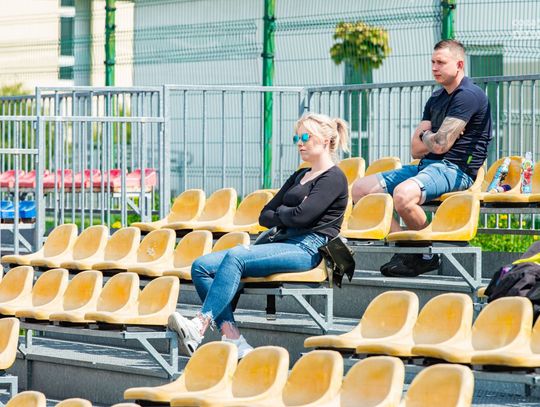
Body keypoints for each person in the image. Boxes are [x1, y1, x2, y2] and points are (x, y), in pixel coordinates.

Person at [168, 112, 350, 357]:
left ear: (326, 140)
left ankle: (199, 325)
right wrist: (292, 211)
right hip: (284, 241)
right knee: (201, 266)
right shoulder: (300, 176)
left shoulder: (334, 177)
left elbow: (302, 217)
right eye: (297, 137)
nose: (299, 143)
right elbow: (265, 215)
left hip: (307, 248)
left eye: (306, 137)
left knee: (236, 256)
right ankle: (233, 337)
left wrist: (286, 213)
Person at [351, 39, 492, 277]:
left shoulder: (468, 96)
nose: (434, 67)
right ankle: (407, 249)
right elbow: (416, 150)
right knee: (360, 190)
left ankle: (426, 254)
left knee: (403, 196)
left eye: (441, 62)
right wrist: (432, 137)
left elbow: (440, 145)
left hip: (456, 170)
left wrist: (428, 136)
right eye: (433, 62)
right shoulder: (436, 98)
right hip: (426, 166)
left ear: (459, 64)